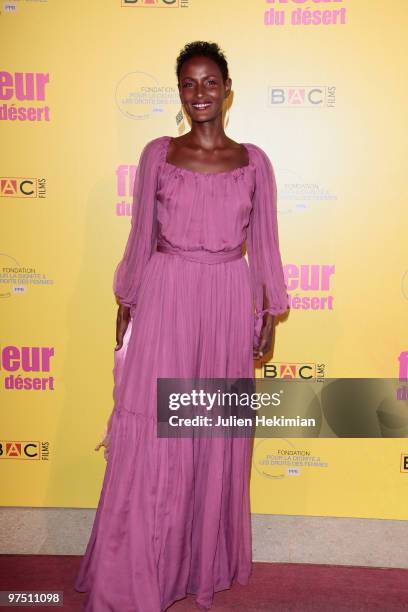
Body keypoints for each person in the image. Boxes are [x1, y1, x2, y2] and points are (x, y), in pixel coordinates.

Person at [74, 40, 289, 611]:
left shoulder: (255, 162)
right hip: (167, 294)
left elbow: (265, 243)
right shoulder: (157, 154)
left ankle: (199, 564)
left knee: (210, 431)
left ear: (227, 90)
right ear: (179, 92)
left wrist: (266, 311)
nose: (200, 93)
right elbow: (141, 232)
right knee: (156, 430)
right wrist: (128, 299)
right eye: (189, 84)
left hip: (225, 297)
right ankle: (140, 567)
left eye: (210, 82)